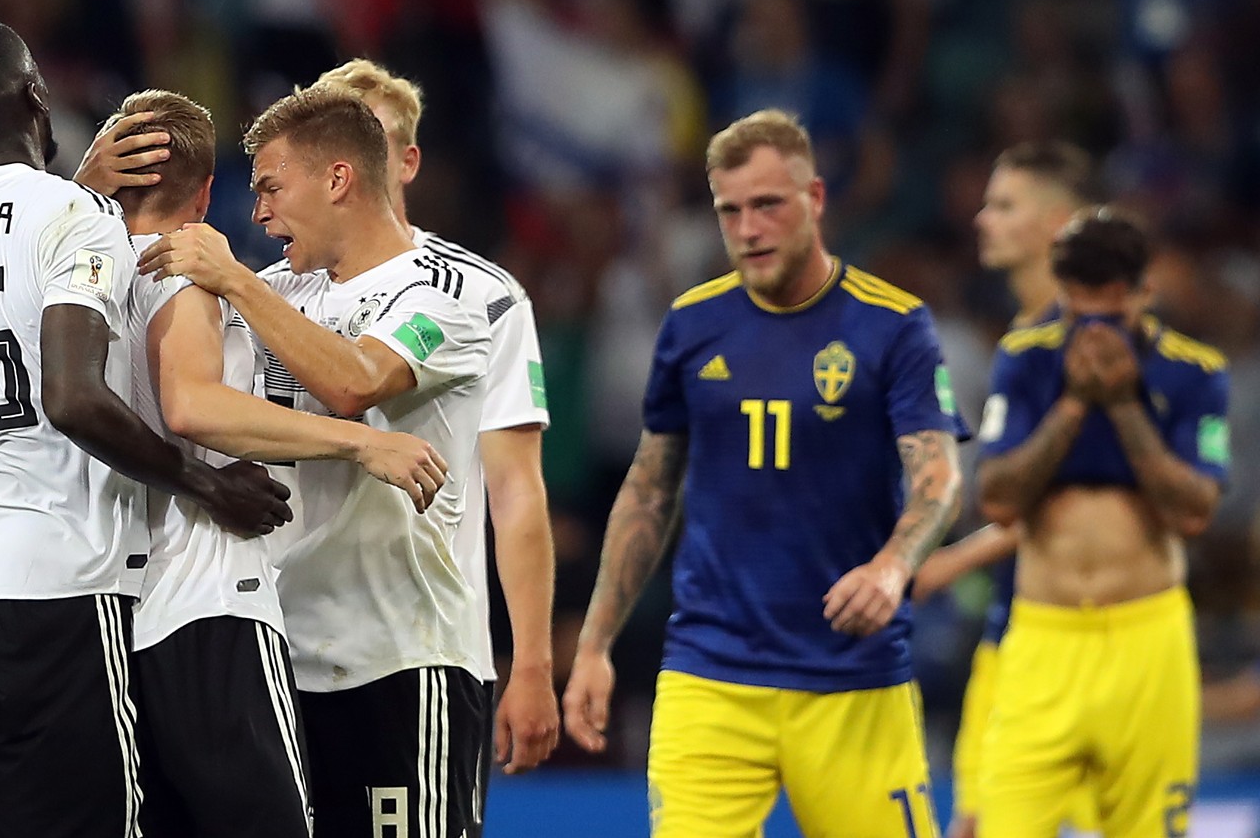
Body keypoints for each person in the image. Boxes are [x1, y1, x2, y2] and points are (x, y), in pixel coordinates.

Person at [0, 19, 291, 838]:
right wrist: (211, 483)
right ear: (38, 95)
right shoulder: (75, 214)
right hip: (54, 588)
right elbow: (71, 397)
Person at [560, 109, 968, 837]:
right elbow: (650, 487)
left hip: (852, 680)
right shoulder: (691, 324)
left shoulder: (892, 325)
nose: (747, 228)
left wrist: (891, 567)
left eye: (767, 205)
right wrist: (594, 643)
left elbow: (938, 476)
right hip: (710, 674)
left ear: (813, 199)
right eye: (730, 210)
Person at [80, 88, 449, 837]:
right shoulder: (181, 279)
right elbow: (193, 404)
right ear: (207, 189)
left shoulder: (73, 290)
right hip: (209, 603)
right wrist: (364, 441)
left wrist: (83, 191)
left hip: (111, 614)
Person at [311, 58, 561, 786]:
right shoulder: (266, 297)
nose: (349, 167)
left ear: (409, 160)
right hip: (279, 647)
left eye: (373, 141)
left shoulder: (486, 295)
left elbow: (516, 492)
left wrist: (534, 661)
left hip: (415, 649)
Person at [974, 208, 1227, 837]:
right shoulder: (1025, 359)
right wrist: (1073, 405)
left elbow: (1194, 511)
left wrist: (1122, 406)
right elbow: (998, 500)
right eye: (1078, 315)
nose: (1093, 334)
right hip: (1041, 645)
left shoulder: (1195, 372)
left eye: (1110, 317)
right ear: (1060, 294)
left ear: (1144, 292)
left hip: (1148, 643)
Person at [909, 141, 1099, 838]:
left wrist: (953, 560)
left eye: (1005, 205)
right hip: (1007, 634)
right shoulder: (1024, 337)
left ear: (1055, 224)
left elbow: (1086, 503)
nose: (983, 218)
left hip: (1070, 640)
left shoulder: (1086, 343)